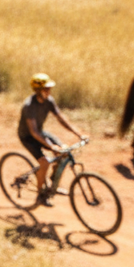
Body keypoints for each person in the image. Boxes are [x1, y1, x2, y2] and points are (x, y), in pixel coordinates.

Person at [17, 73, 88, 204]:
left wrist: (78, 134)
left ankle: (52, 185)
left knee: (63, 153)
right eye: (46, 89)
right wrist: (51, 146)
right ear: (38, 91)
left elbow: (61, 118)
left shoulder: (49, 101)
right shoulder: (29, 106)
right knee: (45, 162)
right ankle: (40, 194)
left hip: (41, 133)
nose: (49, 91)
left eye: (49, 88)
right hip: (28, 137)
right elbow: (33, 132)